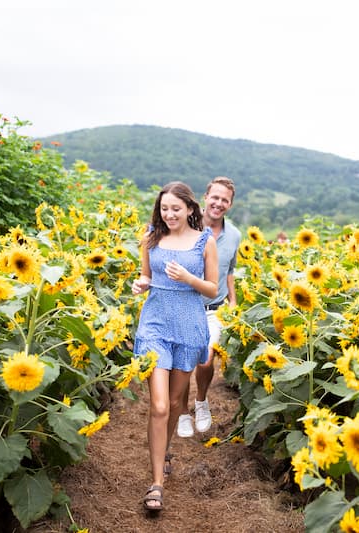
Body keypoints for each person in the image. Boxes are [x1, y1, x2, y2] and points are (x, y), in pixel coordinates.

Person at [132, 181, 219, 513]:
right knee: (158, 406)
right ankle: (156, 483)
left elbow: (211, 289)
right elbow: (146, 277)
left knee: (173, 401)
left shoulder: (203, 242)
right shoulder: (152, 237)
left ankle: (164, 449)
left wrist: (188, 278)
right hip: (155, 323)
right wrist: (141, 284)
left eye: (176, 209)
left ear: (190, 209)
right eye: (164, 208)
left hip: (189, 326)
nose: (169, 214)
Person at [177, 176, 241, 437]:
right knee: (182, 363)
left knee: (205, 360)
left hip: (214, 309)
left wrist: (233, 300)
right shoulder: (185, 226)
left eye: (224, 200)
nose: (218, 203)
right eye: (215, 197)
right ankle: (181, 412)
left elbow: (230, 270)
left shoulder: (234, 234)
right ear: (205, 197)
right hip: (184, 305)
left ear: (230, 204)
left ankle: (200, 402)